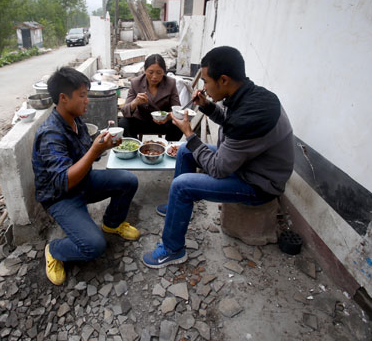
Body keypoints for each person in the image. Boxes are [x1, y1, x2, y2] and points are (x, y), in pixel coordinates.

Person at [142, 46, 295, 268]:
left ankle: (172, 249)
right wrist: (206, 106)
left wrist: (189, 133)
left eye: (206, 81)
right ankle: (177, 208)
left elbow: (217, 168)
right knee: (186, 151)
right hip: (248, 162)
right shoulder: (247, 95)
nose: (204, 87)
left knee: (182, 185)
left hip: (259, 182)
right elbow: (229, 122)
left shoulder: (252, 116)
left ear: (223, 80)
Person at [32, 67, 141, 285]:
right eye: (82, 95)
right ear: (63, 98)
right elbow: (64, 180)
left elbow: (85, 154)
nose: (87, 101)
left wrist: (104, 143)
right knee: (94, 245)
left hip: (82, 183)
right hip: (61, 197)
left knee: (128, 180)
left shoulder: (75, 120)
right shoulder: (50, 134)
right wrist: (94, 151)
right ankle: (54, 250)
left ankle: (112, 223)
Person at [119, 54, 183, 141]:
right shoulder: (136, 83)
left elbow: (177, 109)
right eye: (150, 72)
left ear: (164, 72)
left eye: (159, 73)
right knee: (123, 122)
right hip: (141, 122)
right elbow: (124, 110)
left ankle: (169, 148)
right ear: (145, 71)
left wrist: (167, 117)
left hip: (162, 124)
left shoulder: (170, 83)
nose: (154, 77)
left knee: (179, 125)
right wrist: (135, 102)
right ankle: (136, 147)